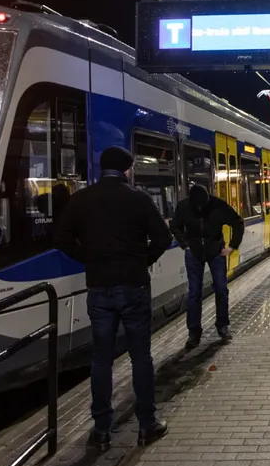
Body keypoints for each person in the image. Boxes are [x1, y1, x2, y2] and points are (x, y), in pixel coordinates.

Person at [56, 146, 171, 449]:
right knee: (141, 356)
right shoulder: (139, 199)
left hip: (99, 287)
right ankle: (146, 425)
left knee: (101, 359)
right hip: (134, 285)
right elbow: (164, 237)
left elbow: (61, 238)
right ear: (127, 170)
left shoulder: (81, 199)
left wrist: (89, 259)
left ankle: (101, 431)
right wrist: (142, 260)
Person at [169, 183, 243, 349]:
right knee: (194, 293)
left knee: (221, 289)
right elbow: (174, 225)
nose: (200, 209)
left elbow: (237, 222)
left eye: (203, 206)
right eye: (197, 207)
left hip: (216, 251)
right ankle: (194, 332)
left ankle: (223, 325)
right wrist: (184, 243)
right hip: (194, 253)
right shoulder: (184, 207)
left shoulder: (218, 205)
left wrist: (232, 246)